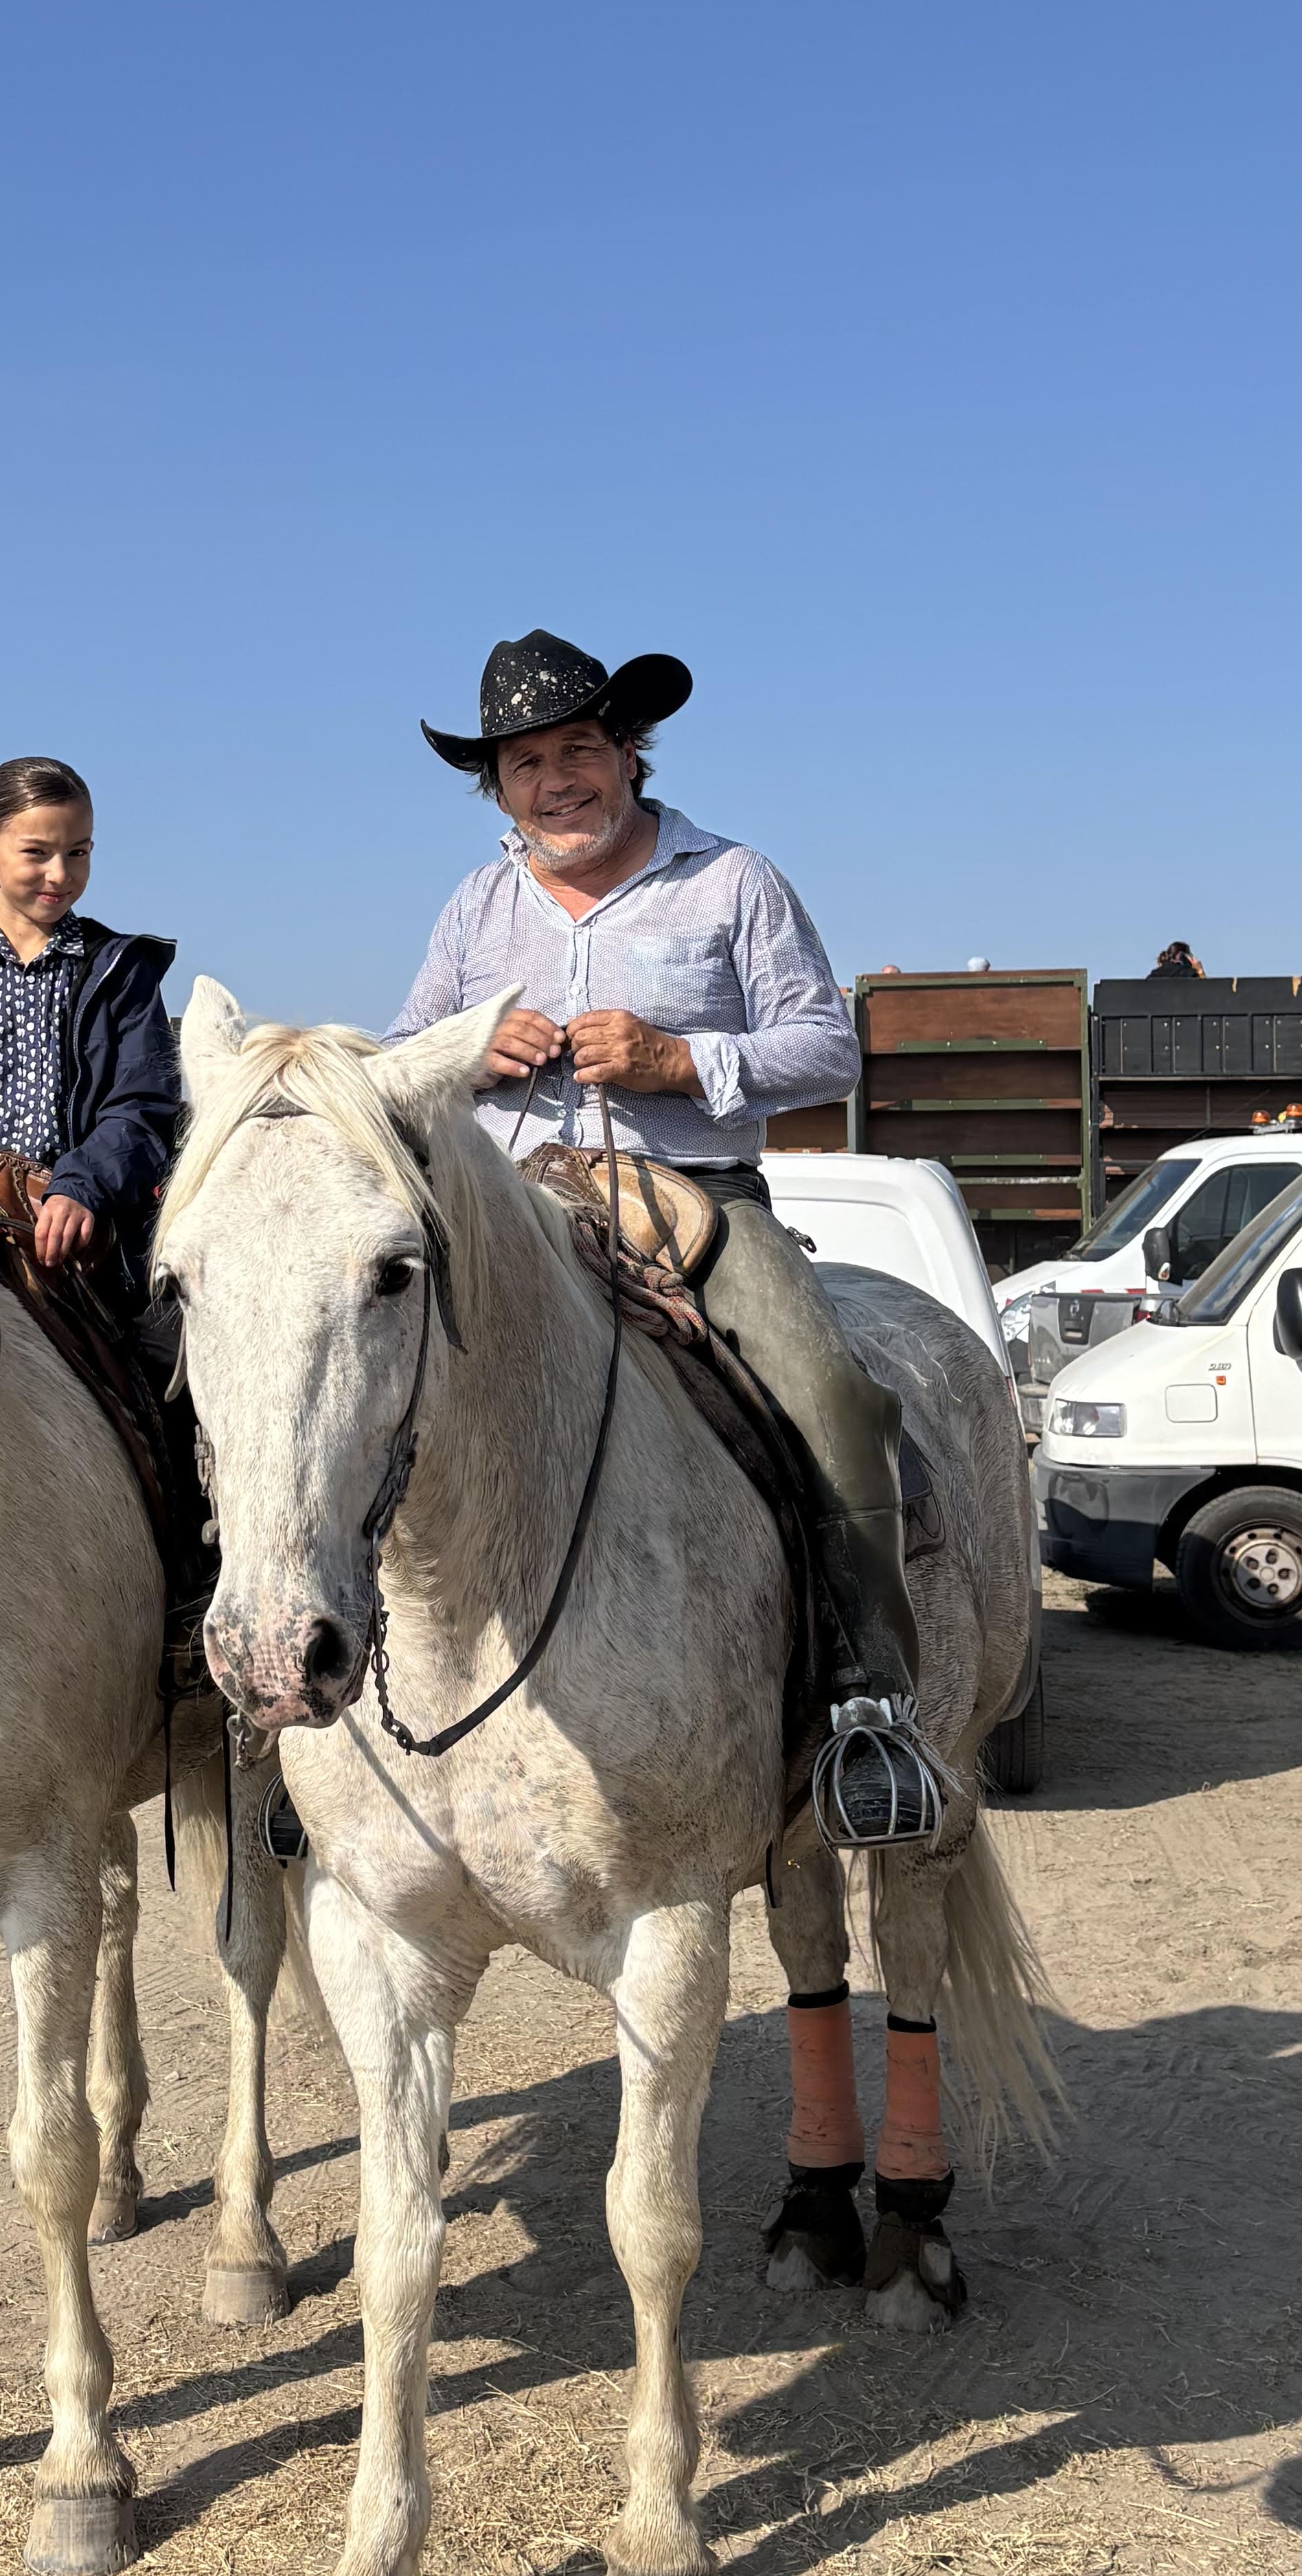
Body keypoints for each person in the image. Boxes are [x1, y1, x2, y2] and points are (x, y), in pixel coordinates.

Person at [392, 627, 924, 1756]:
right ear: (497, 786)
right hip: (514, 1207)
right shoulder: (472, 908)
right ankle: (300, 1693)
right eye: (525, 763)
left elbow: (826, 1049)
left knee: (825, 1396)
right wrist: (468, 1053)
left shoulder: (732, 879)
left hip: (695, 1200)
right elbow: (400, 1055)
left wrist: (678, 1061)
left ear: (630, 754)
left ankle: (870, 1702)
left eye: (578, 747)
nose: (555, 780)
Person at [0, 756, 180, 1313]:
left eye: (78, 852)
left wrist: (81, 1185)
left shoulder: (122, 972)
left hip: (92, 1242)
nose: (60, 874)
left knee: (177, 1376)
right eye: (37, 853)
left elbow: (142, 1108)